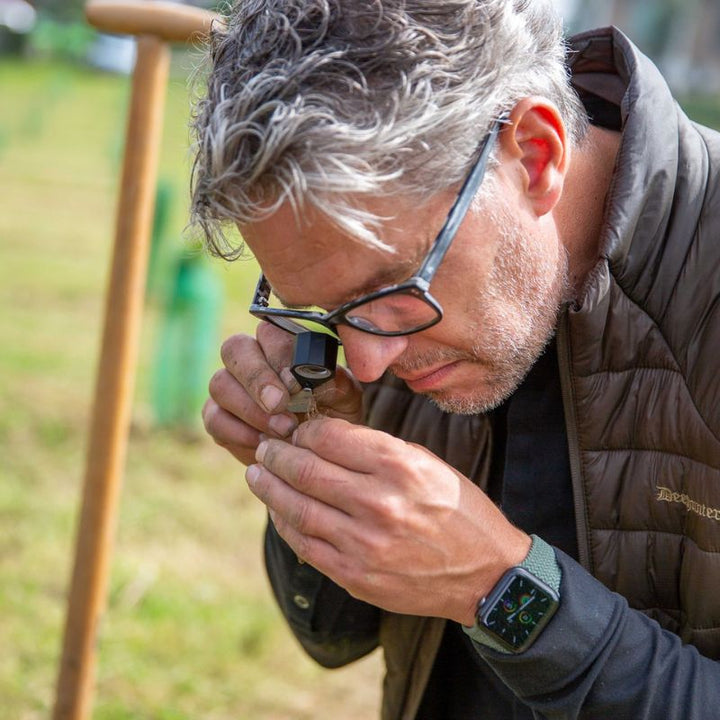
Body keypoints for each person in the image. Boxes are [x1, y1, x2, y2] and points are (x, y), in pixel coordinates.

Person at [190, 1, 720, 717]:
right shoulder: (385, 313)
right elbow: (337, 641)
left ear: (536, 155)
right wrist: (316, 473)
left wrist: (502, 587)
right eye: (329, 311)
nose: (370, 363)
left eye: (392, 288)